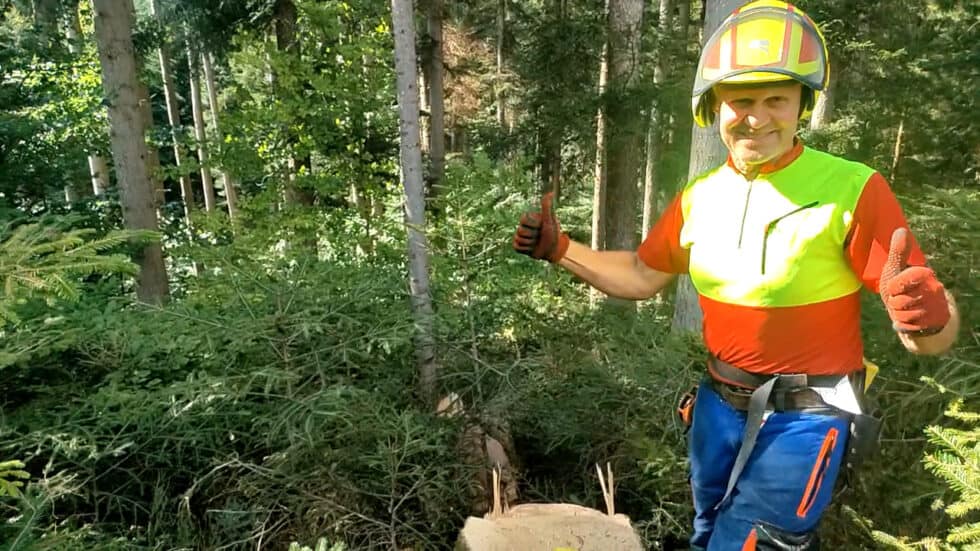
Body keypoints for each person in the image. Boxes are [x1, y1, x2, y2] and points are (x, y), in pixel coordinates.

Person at [511, 1, 961, 549]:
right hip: (718, 408)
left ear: (803, 105)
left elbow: (931, 337)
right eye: (741, 99)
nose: (758, 116)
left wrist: (927, 318)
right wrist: (561, 250)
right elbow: (640, 274)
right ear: (713, 106)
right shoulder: (700, 196)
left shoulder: (853, 188)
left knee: (746, 543)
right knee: (707, 535)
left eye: (778, 99)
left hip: (807, 417)